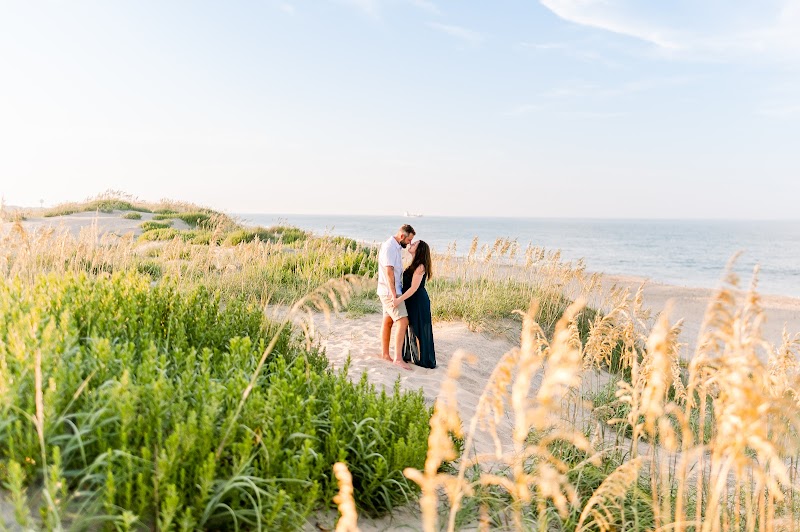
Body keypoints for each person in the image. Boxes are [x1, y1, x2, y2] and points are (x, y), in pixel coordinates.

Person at [377, 224, 415, 369]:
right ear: (402, 236)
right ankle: (398, 359)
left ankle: (385, 354)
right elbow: (389, 272)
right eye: (409, 240)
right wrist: (394, 295)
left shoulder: (395, 247)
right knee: (403, 321)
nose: (409, 243)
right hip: (390, 292)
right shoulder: (390, 248)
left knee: (388, 321)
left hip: (387, 291)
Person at [394, 240, 436, 369]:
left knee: (419, 329)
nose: (410, 245)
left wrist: (398, 300)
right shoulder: (414, 263)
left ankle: (424, 359)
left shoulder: (421, 266)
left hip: (418, 301)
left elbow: (413, 289)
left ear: (419, 250)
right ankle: (412, 355)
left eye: (414, 244)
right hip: (411, 300)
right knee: (411, 327)